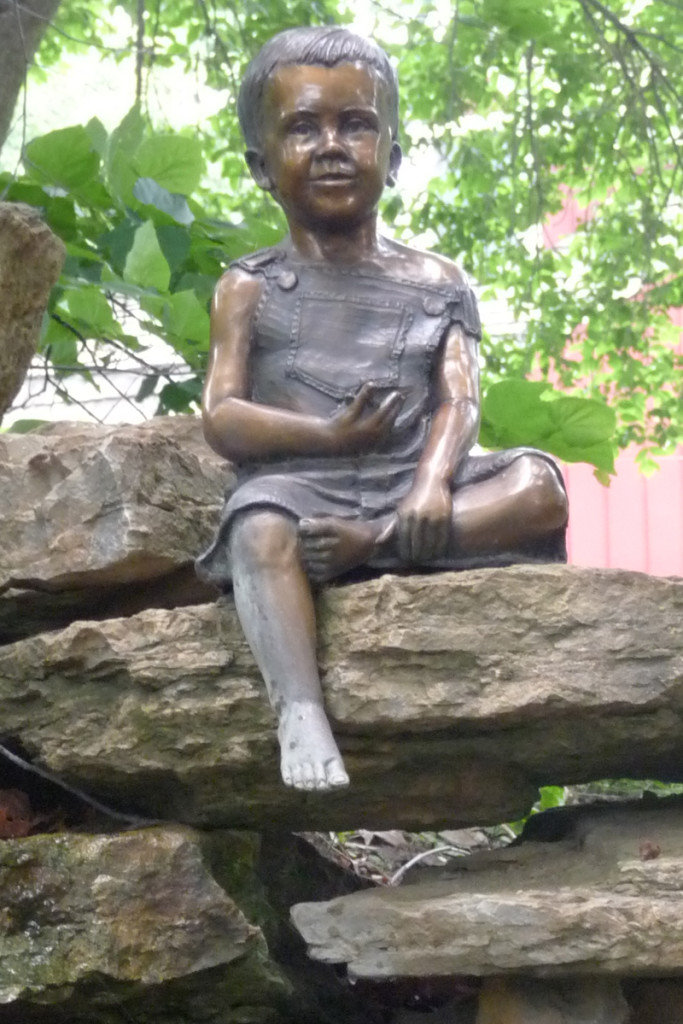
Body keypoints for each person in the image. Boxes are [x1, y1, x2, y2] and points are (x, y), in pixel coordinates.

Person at [196, 26, 568, 793]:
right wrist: (324, 434)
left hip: (408, 482)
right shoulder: (250, 286)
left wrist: (433, 481)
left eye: (355, 124)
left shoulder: (436, 281)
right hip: (301, 483)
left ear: (392, 157)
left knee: (538, 485)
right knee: (258, 526)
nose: (332, 145)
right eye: (303, 126)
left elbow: (459, 397)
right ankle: (299, 708)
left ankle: (380, 543)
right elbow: (223, 417)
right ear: (260, 166)